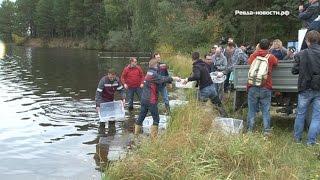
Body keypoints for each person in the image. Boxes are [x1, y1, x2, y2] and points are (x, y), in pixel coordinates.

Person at [134, 58, 180, 140]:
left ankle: (136, 135)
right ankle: (153, 139)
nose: (159, 66)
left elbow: (160, 79)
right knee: (156, 119)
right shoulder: (153, 74)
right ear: (155, 65)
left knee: (141, 116)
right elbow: (163, 79)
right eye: (158, 65)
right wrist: (175, 78)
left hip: (144, 99)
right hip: (151, 100)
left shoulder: (149, 72)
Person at [292, 30, 320, 145]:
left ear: (307, 40)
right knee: (317, 116)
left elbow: (294, 71)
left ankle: (297, 140)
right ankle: (311, 142)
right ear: (318, 40)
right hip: (318, 88)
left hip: (304, 88)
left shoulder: (301, 54)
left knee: (300, 114)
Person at [246, 39, 278, 136]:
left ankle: (250, 131)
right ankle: (266, 131)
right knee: (266, 110)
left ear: (259, 46)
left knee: (251, 110)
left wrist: (256, 51)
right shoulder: (271, 57)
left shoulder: (253, 56)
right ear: (269, 47)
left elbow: (249, 63)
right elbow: (277, 63)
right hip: (266, 86)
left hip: (253, 86)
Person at [182, 52, 227, 117]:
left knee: (198, 106)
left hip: (205, 89)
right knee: (218, 104)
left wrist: (187, 79)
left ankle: (199, 120)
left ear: (192, 58)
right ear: (199, 57)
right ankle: (225, 117)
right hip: (212, 87)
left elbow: (197, 76)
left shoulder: (196, 66)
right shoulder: (203, 64)